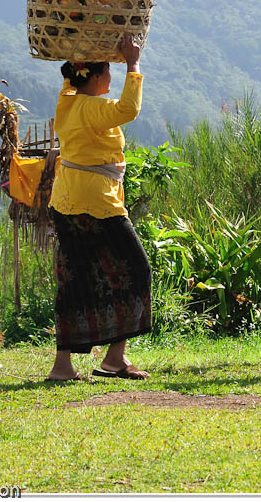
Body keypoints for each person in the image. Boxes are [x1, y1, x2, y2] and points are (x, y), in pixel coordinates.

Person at [46, 35, 151, 381]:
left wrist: (76, 50)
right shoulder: (91, 107)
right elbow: (129, 109)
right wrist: (133, 63)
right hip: (97, 203)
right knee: (135, 271)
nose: (110, 75)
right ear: (94, 77)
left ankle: (64, 366)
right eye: (107, 69)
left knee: (75, 280)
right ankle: (114, 358)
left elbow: (70, 81)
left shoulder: (67, 101)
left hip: (65, 201)